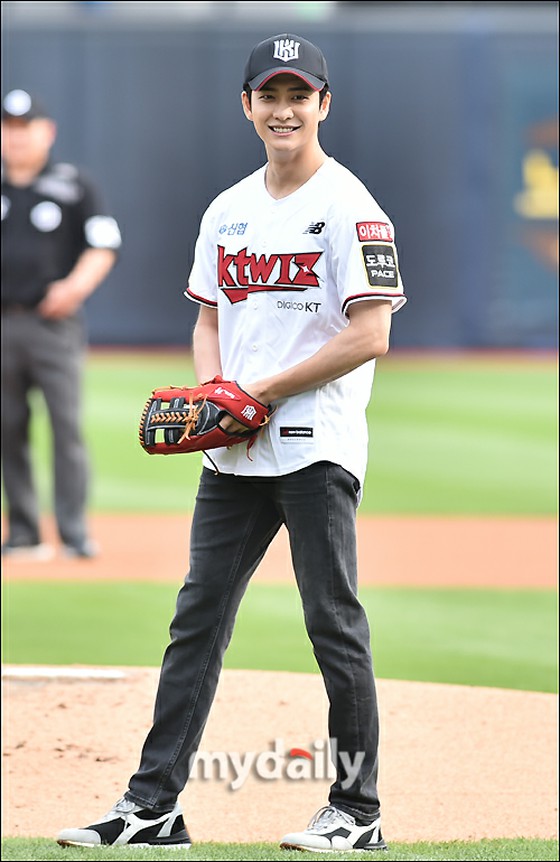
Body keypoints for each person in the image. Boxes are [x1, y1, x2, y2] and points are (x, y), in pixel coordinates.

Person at [57, 32, 406, 851]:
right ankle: (154, 807)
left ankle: (359, 813)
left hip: (314, 446)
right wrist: (219, 395)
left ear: (324, 104)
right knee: (196, 621)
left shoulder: (351, 206)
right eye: (269, 95)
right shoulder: (230, 208)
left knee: (333, 626)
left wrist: (256, 393)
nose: (284, 110)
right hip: (234, 451)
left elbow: (371, 335)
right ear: (247, 105)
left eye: (299, 95)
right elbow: (210, 314)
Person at [1, 88, 122, 560]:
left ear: (46, 133)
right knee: (7, 427)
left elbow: (103, 244)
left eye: (25, 128)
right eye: (8, 129)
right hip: (3, 323)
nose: (16, 138)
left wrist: (73, 288)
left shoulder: (74, 185)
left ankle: (73, 532)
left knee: (65, 427)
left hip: (54, 326)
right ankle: (24, 532)